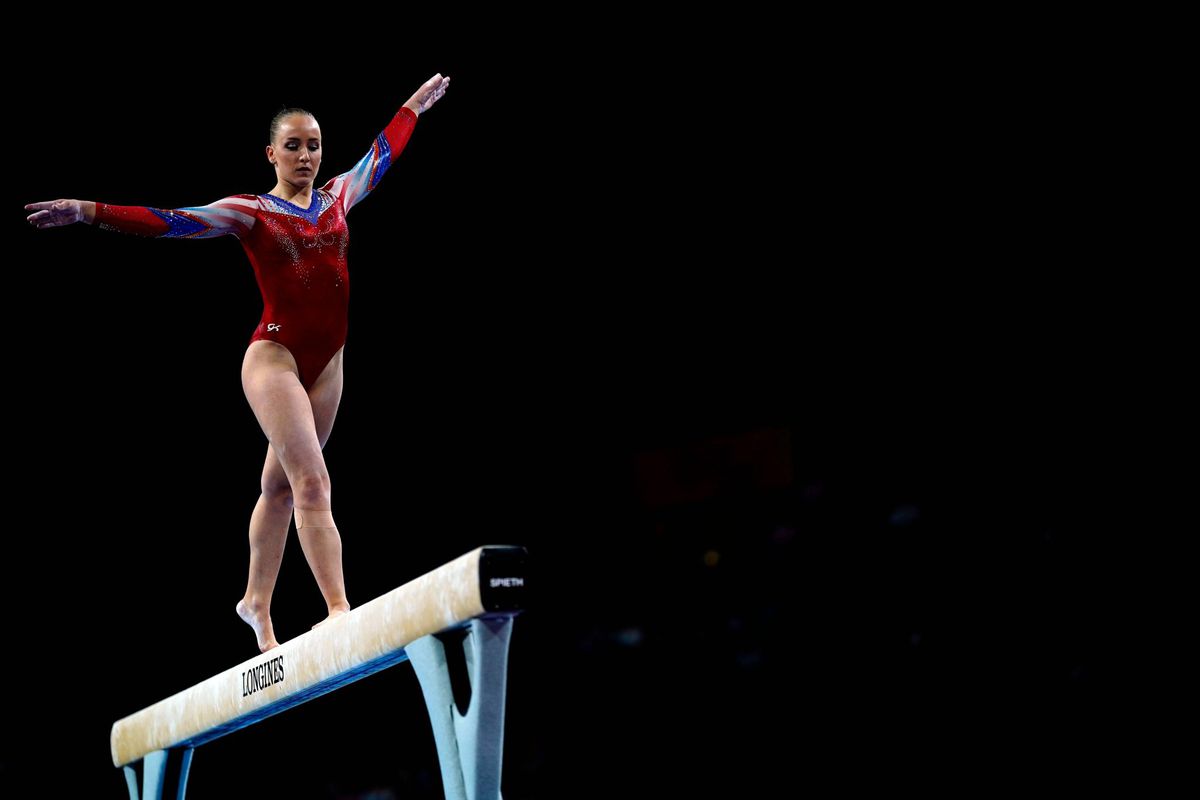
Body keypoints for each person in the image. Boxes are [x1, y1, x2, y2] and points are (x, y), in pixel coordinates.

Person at [25, 73, 451, 653]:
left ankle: (254, 602)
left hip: (329, 364)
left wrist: (410, 109)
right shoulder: (248, 212)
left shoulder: (339, 196)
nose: (306, 155)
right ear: (271, 153)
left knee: (278, 488)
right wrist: (87, 210)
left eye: (315, 144)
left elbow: (383, 152)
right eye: (294, 145)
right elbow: (169, 219)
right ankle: (338, 610)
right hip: (273, 360)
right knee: (312, 480)